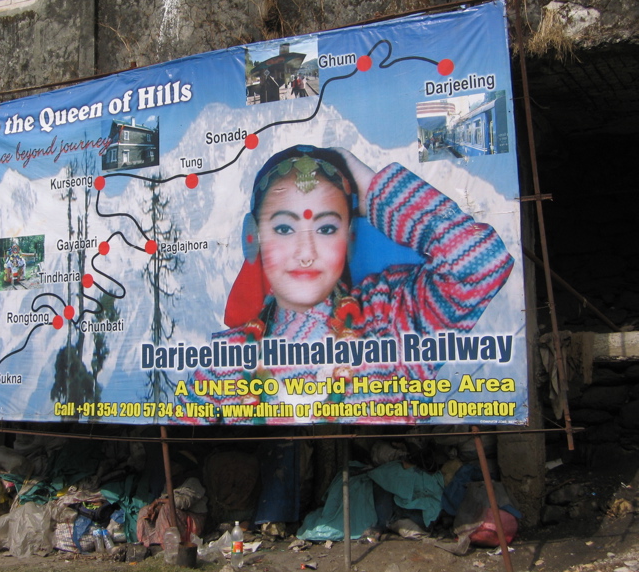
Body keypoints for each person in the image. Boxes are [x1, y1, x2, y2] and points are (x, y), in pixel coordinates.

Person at [186, 144, 514, 423]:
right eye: (284, 229)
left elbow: (480, 264)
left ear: (350, 238)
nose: (305, 253)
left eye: (327, 228)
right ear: (253, 237)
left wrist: (372, 188)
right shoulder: (223, 361)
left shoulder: (389, 318)